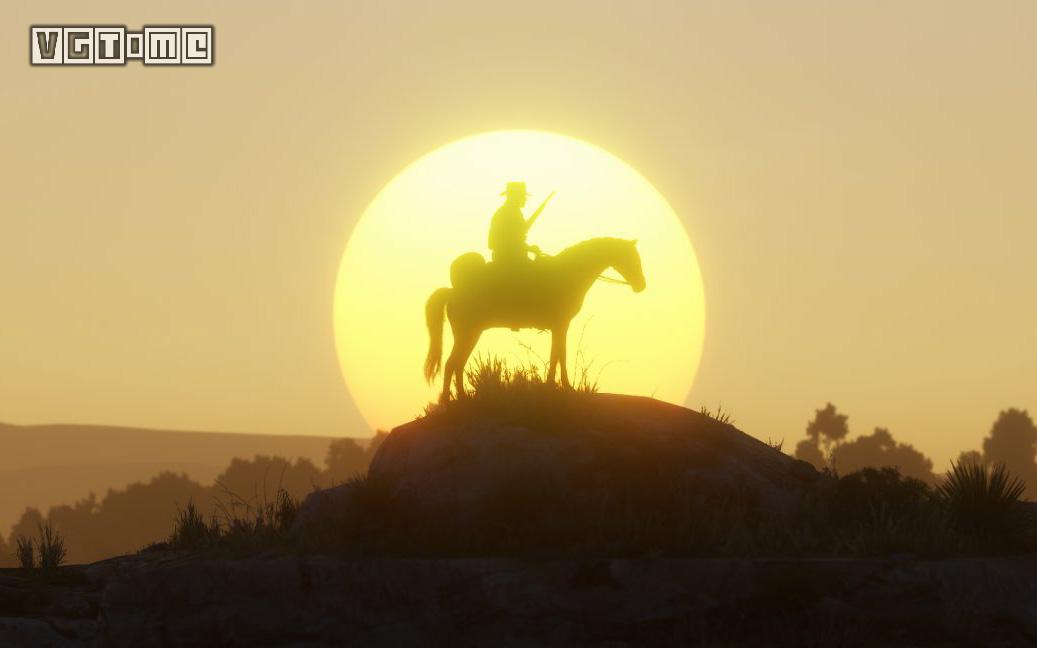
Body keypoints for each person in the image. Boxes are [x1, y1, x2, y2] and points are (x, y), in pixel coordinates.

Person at [488, 181, 542, 265]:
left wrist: (527, 247)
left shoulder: (510, 212)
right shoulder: (508, 213)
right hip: (510, 259)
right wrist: (529, 248)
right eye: (522, 196)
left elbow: (515, 238)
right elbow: (509, 241)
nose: (525, 199)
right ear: (515, 197)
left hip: (514, 256)